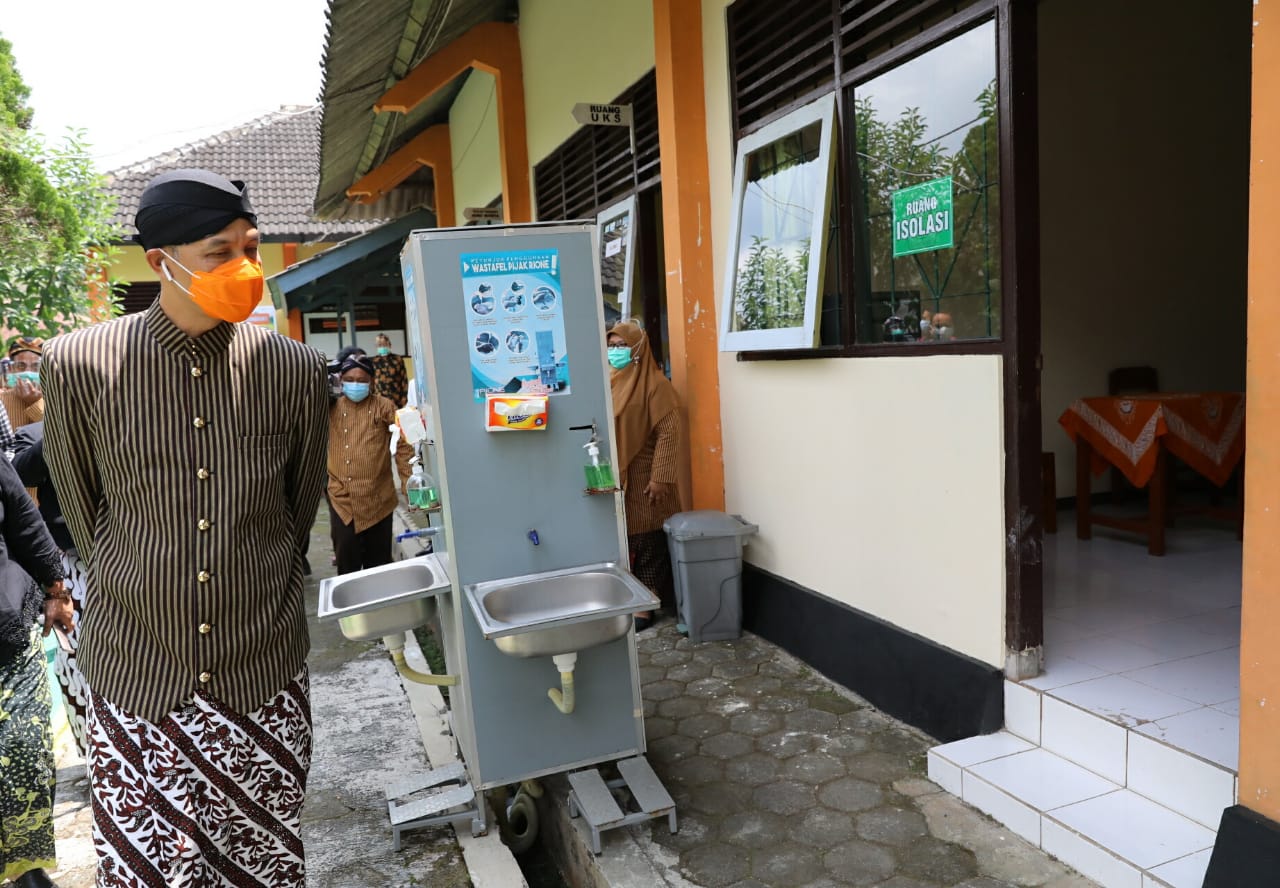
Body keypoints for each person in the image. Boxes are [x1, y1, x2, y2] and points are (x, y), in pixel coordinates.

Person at [42, 168, 329, 886]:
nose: (244, 267)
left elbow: (296, 516)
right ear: (159, 261)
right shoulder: (81, 363)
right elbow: (82, 509)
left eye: (251, 246)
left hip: (258, 668)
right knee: (151, 871)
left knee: (260, 862)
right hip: (137, 671)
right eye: (219, 250)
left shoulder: (292, 370)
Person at [0, 452, 72, 888]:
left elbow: (24, 519)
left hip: (7, 629)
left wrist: (55, 587)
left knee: (23, 751)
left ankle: (27, 867)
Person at [11, 421, 89, 756]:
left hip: (133, 560)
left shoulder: (124, 418)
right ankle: (94, 757)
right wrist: (63, 433)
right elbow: (19, 473)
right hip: (71, 567)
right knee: (77, 666)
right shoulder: (36, 433)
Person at [607, 322, 683, 630]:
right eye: (611, 345)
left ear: (638, 348)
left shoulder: (655, 384)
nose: (615, 352)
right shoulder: (610, 379)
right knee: (625, 537)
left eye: (621, 345)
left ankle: (646, 605)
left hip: (647, 474)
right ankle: (629, 597)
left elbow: (670, 430)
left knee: (648, 536)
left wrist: (661, 477)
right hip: (619, 471)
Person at [328, 353, 413, 575]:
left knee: (379, 569)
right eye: (349, 379)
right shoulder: (329, 406)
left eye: (362, 380)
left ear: (372, 382)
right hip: (342, 501)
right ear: (341, 380)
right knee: (347, 567)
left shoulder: (383, 406)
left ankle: (380, 610)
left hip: (378, 501)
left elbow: (404, 441)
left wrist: (408, 482)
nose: (355, 384)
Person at [1, 338, 45, 433]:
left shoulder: (56, 398)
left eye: (35, 366)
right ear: (10, 368)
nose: (28, 373)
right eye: (21, 366)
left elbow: (58, 433)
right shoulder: (2, 400)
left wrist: (35, 402)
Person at [370, 333, 409, 409]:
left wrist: (404, 399)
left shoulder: (398, 360)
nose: (382, 347)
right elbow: (371, 382)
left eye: (384, 344)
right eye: (379, 345)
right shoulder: (373, 361)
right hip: (379, 402)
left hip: (396, 401)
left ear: (389, 345)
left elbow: (404, 380)